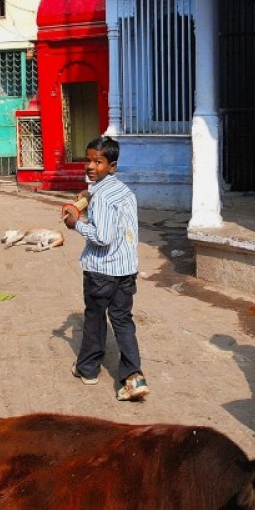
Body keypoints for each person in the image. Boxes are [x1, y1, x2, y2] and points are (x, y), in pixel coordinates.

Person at [62, 136, 148, 401]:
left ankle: (88, 369)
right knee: (122, 320)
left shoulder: (102, 198)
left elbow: (103, 236)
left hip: (102, 271)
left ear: (112, 166)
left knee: (95, 318)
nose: (90, 166)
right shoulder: (123, 191)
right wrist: (87, 197)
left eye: (98, 162)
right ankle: (133, 376)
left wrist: (75, 223)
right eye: (88, 160)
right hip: (126, 269)